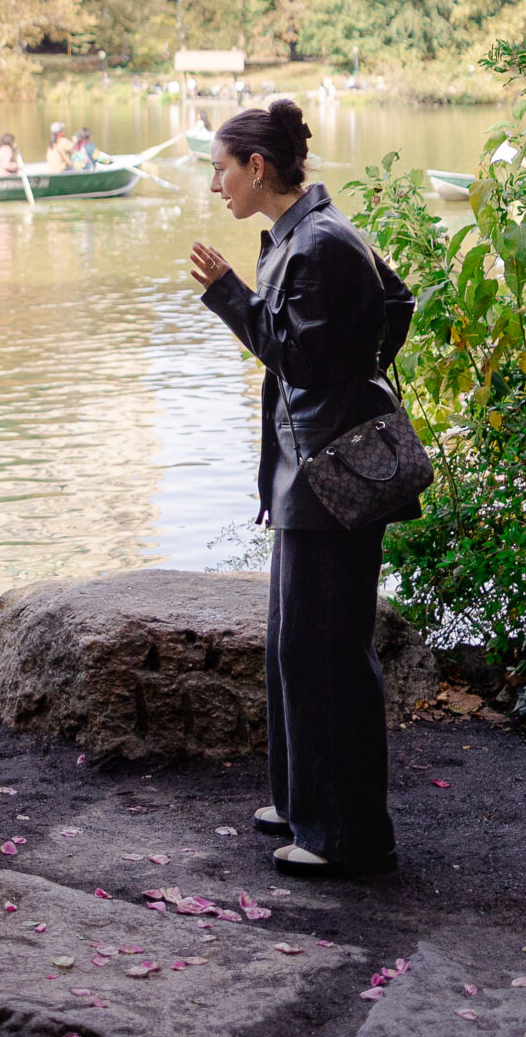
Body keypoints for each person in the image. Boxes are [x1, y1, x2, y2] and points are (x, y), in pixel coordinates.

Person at [189, 97, 415, 880]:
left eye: (220, 168)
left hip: (330, 472)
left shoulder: (316, 242)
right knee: (296, 645)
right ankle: (300, 802)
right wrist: (358, 363)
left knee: (324, 655)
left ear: (257, 167)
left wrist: (226, 294)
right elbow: (395, 302)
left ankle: (346, 837)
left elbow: (298, 358)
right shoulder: (304, 233)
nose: (214, 184)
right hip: (312, 467)